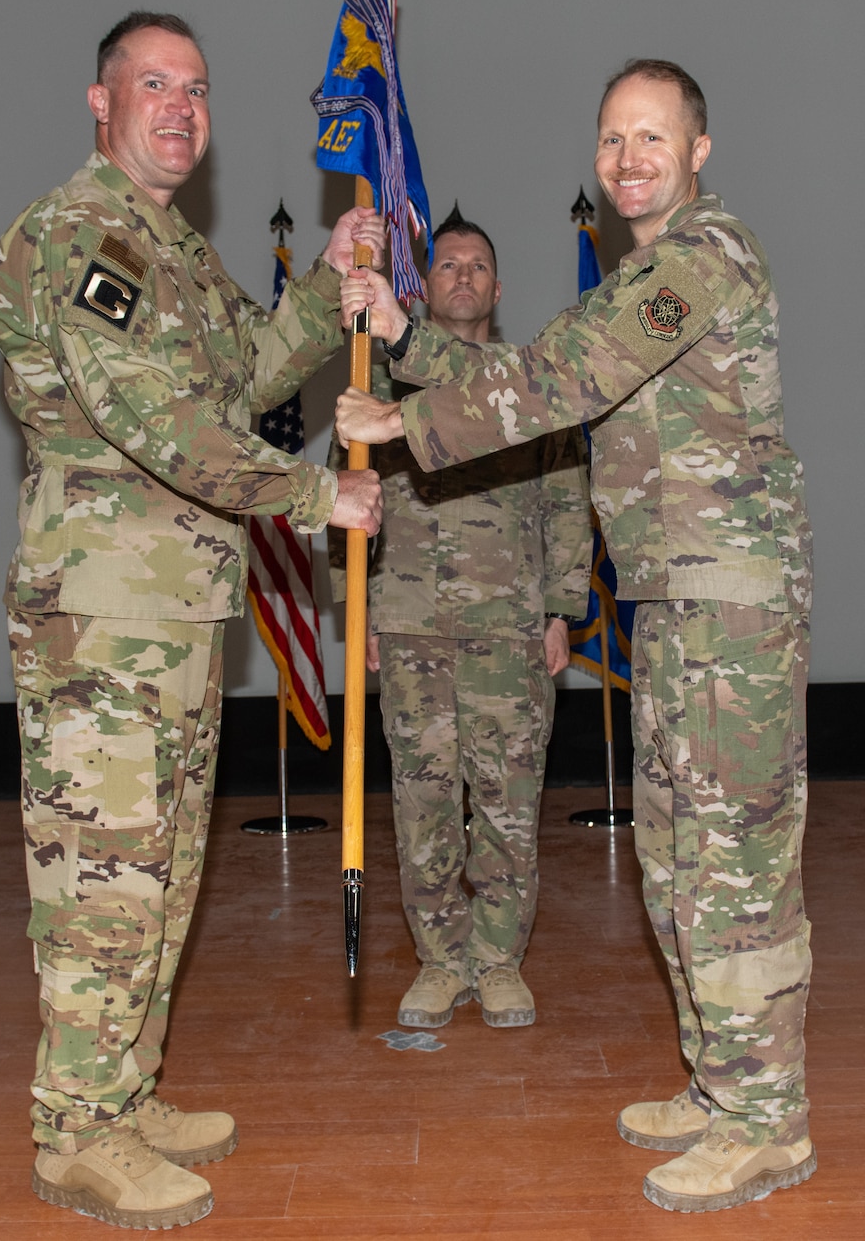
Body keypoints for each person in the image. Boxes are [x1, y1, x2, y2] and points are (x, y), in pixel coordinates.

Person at [336, 59, 815, 1215]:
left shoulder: (703, 258)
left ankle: (767, 1118)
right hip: (674, 598)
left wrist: (402, 415)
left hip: (726, 602)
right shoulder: (644, 272)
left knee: (730, 865)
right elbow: (529, 368)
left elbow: (557, 376)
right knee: (673, 858)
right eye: (610, 140)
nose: (627, 159)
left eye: (651, 137)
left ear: (697, 149)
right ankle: (720, 1085)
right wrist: (404, 333)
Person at [0, 11, 383, 1230]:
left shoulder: (174, 250)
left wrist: (327, 284)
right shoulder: (78, 236)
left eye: (196, 88)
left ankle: (124, 1089)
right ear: (97, 102)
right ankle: (76, 1132)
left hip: (174, 611)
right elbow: (155, 419)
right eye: (152, 84)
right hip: (101, 620)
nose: (179, 106)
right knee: (103, 883)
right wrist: (321, 493)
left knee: (161, 874)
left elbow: (246, 377)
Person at [332, 208, 592, 1031]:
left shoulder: (528, 382)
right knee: (424, 802)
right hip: (407, 623)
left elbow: (566, 498)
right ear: (422, 283)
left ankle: (500, 960)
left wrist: (561, 610)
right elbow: (351, 501)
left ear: (499, 286)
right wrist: (359, 612)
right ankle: (442, 961)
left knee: (511, 801)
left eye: (479, 265)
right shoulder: (379, 383)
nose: (464, 276)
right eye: (447, 265)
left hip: (509, 627)